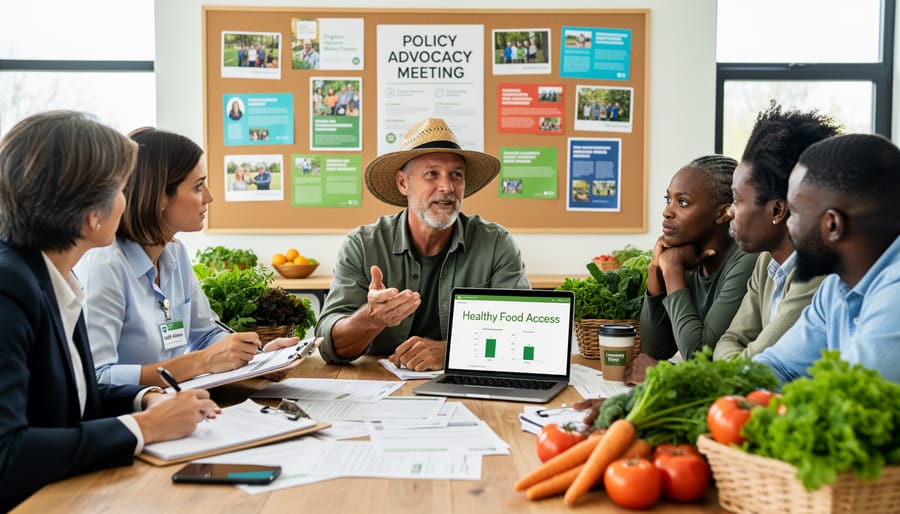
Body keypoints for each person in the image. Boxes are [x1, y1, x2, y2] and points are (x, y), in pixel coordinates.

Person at [0, 111, 218, 510]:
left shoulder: (55, 278)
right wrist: (143, 427)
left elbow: (75, 397)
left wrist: (145, 400)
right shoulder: (8, 289)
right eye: (120, 188)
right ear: (90, 210)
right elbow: (6, 455)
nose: (128, 200)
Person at [77, 128, 297, 386]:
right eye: (198, 187)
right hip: (129, 417)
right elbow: (97, 377)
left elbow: (205, 335)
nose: (209, 197)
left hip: (175, 404)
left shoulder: (175, 252)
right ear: (159, 196)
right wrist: (200, 362)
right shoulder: (105, 265)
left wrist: (258, 359)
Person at [315, 118, 530, 371]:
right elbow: (328, 345)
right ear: (403, 183)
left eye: (456, 175)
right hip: (377, 388)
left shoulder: (496, 243)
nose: (447, 187)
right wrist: (371, 318)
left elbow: (525, 334)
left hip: (467, 385)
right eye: (432, 174)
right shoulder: (362, 245)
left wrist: (451, 352)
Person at [753, 134, 900, 383]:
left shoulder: (895, 292)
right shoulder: (835, 286)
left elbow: (850, 398)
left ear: (832, 225)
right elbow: (778, 366)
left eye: (795, 213)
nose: (787, 226)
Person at [714, 104, 841, 361]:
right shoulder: (766, 263)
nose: (729, 212)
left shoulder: (815, 274)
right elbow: (730, 340)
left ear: (777, 210)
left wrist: (737, 359)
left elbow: (758, 365)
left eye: (737, 200)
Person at [640, 155, 757, 360]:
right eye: (669, 199)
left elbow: (698, 357)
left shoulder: (747, 260)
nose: (667, 212)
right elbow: (655, 350)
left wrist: (672, 269)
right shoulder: (686, 253)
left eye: (683, 202)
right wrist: (655, 269)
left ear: (723, 213)